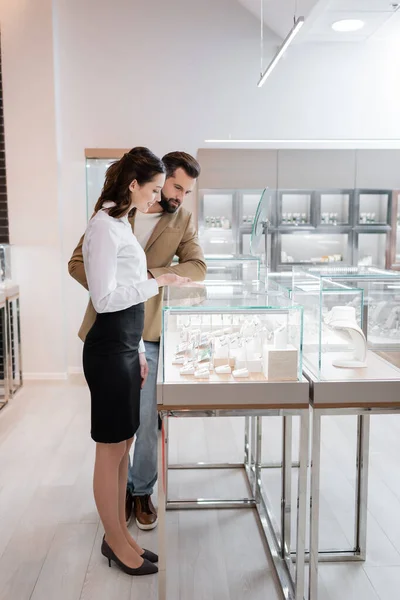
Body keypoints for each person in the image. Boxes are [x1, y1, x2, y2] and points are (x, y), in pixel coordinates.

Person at [69, 151, 206, 530]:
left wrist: (145, 277)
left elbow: (197, 266)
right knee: (115, 432)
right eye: (175, 186)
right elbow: (77, 261)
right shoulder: (115, 214)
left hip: (148, 333)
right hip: (110, 331)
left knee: (145, 422)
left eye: (186, 191)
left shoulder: (181, 219)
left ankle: (141, 490)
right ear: (153, 181)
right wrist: (112, 284)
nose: (179, 195)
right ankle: (116, 507)